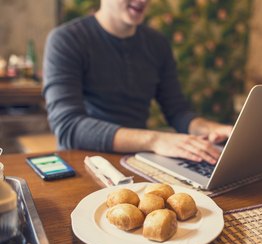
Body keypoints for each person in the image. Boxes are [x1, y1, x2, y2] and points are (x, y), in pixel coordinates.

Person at [43, 0, 232, 164]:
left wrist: (212, 128)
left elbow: (177, 111)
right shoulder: (66, 40)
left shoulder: (157, 43)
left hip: (137, 159)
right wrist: (155, 140)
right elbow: (68, 127)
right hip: (85, 160)